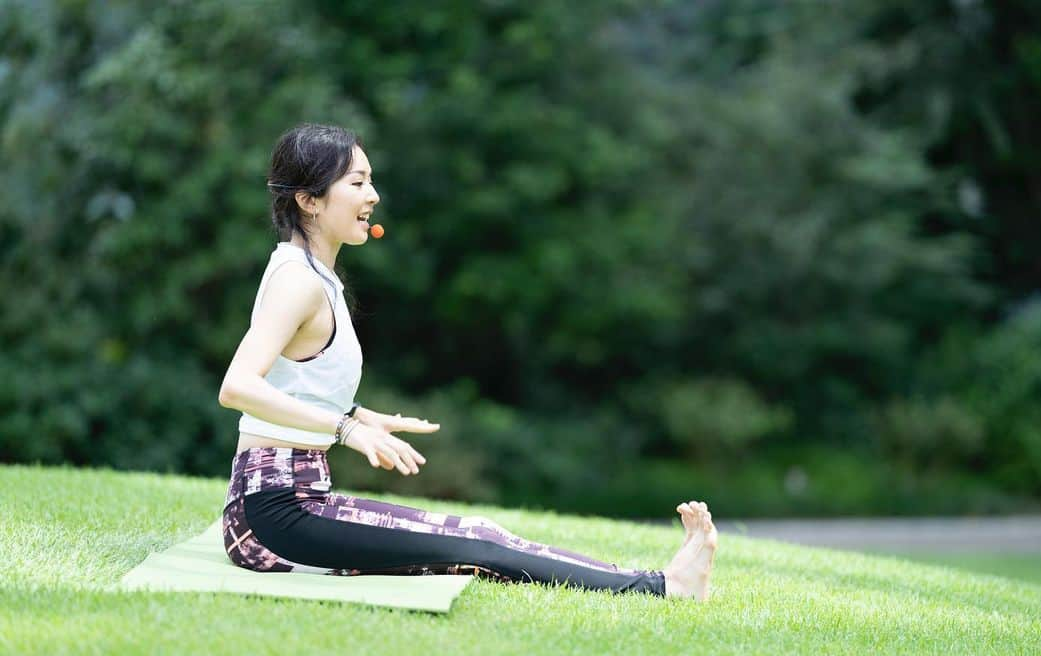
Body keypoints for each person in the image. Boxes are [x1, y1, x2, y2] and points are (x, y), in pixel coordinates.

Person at [217, 123, 718, 600]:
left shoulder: (312, 274)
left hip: (293, 501)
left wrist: (357, 415)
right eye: (358, 182)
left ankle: (659, 582)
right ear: (308, 200)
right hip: (273, 515)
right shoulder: (297, 280)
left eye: (370, 181)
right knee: (477, 548)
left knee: (480, 534)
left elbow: (294, 379)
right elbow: (237, 386)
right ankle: (664, 587)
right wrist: (346, 431)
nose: (373, 196)